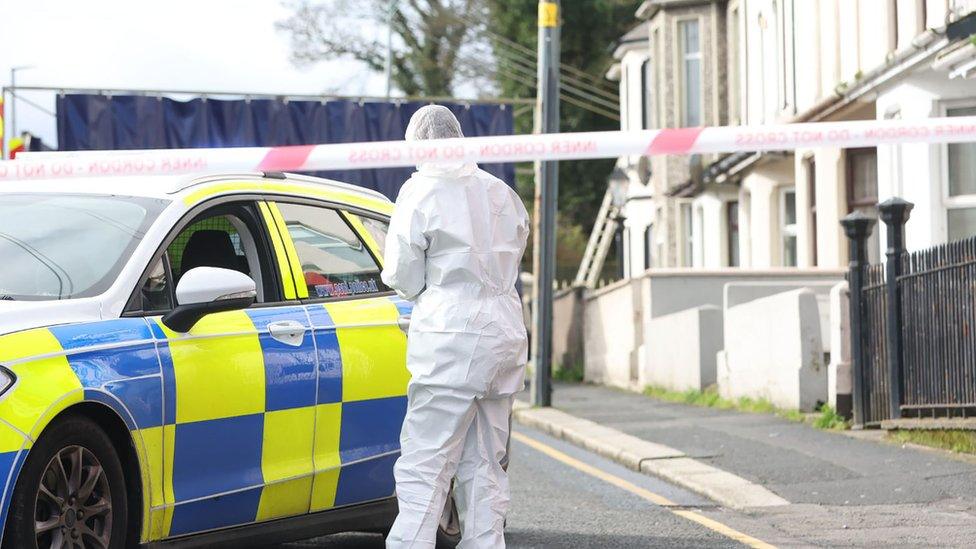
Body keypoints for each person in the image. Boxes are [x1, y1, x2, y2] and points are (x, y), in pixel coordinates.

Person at [382, 105, 530, 549]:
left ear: (418, 145)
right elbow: (515, 252)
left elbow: (403, 275)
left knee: (426, 463)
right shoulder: (501, 191)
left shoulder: (421, 191)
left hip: (451, 337)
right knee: (486, 464)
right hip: (504, 332)